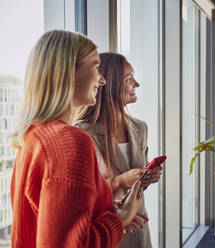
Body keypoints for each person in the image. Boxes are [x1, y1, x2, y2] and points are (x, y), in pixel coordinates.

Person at [10, 30, 145, 247]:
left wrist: (107, 212)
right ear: (67, 73)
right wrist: (121, 219)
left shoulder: (32, 137)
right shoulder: (69, 142)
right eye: (95, 66)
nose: (101, 80)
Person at [76, 52, 162, 248]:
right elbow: (81, 195)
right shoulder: (82, 132)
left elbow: (138, 185)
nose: (137, 84)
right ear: (110, 83)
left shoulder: (140, 128)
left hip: (139, 226)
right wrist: (121, 180)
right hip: (107, 228)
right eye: (129, 79)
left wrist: (148, 176)